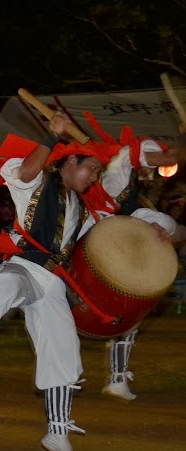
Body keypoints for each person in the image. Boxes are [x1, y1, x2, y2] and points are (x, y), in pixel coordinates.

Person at [0, 111, 112, 451]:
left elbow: (109, 235)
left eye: (98, 174)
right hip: (25, 264)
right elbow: (24, 172)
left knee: (64, 349)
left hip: (52, 283)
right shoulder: (40, 181)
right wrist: (51, 136)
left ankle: (58, 431)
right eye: (91, 169)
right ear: (73, 159)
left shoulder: (81, 209)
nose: (94, 178)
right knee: (2, 288)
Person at [78, 121, 186, 401]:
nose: (155, 166)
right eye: (151, 159)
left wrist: (160, 231)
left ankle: (117, 379)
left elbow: (162, 225)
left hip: (117, 237)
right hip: (93, 234)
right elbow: (171, 157)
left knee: (129, 313)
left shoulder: (132, 191)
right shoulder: (124, 159)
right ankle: (65, 370)